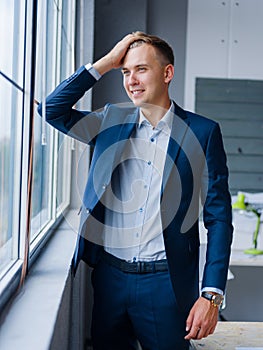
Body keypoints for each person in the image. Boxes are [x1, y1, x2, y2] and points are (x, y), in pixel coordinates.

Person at [38, 32, 233, 349]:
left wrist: (211, 294)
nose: (131, 80)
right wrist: (105, 64)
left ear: (167, 73)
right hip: (110, 277)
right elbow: (51, 110)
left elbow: (219, 218)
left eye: (141, 69)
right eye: (126, 72)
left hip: (166, 283)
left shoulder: (203, 132)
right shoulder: (110, 121)